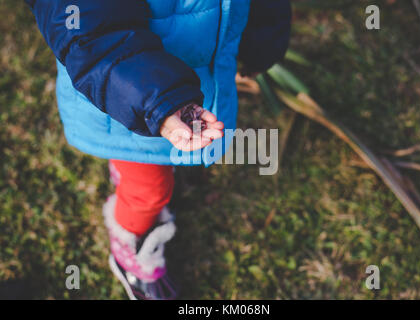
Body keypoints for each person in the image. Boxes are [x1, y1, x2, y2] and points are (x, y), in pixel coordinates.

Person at [25, 0, 291, 300]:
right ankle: (129, 245)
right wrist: (157, 103)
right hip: (131, 99)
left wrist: (263, 38)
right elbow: (88, 31)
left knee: (161, 164)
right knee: (148, 191)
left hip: (169, 96)